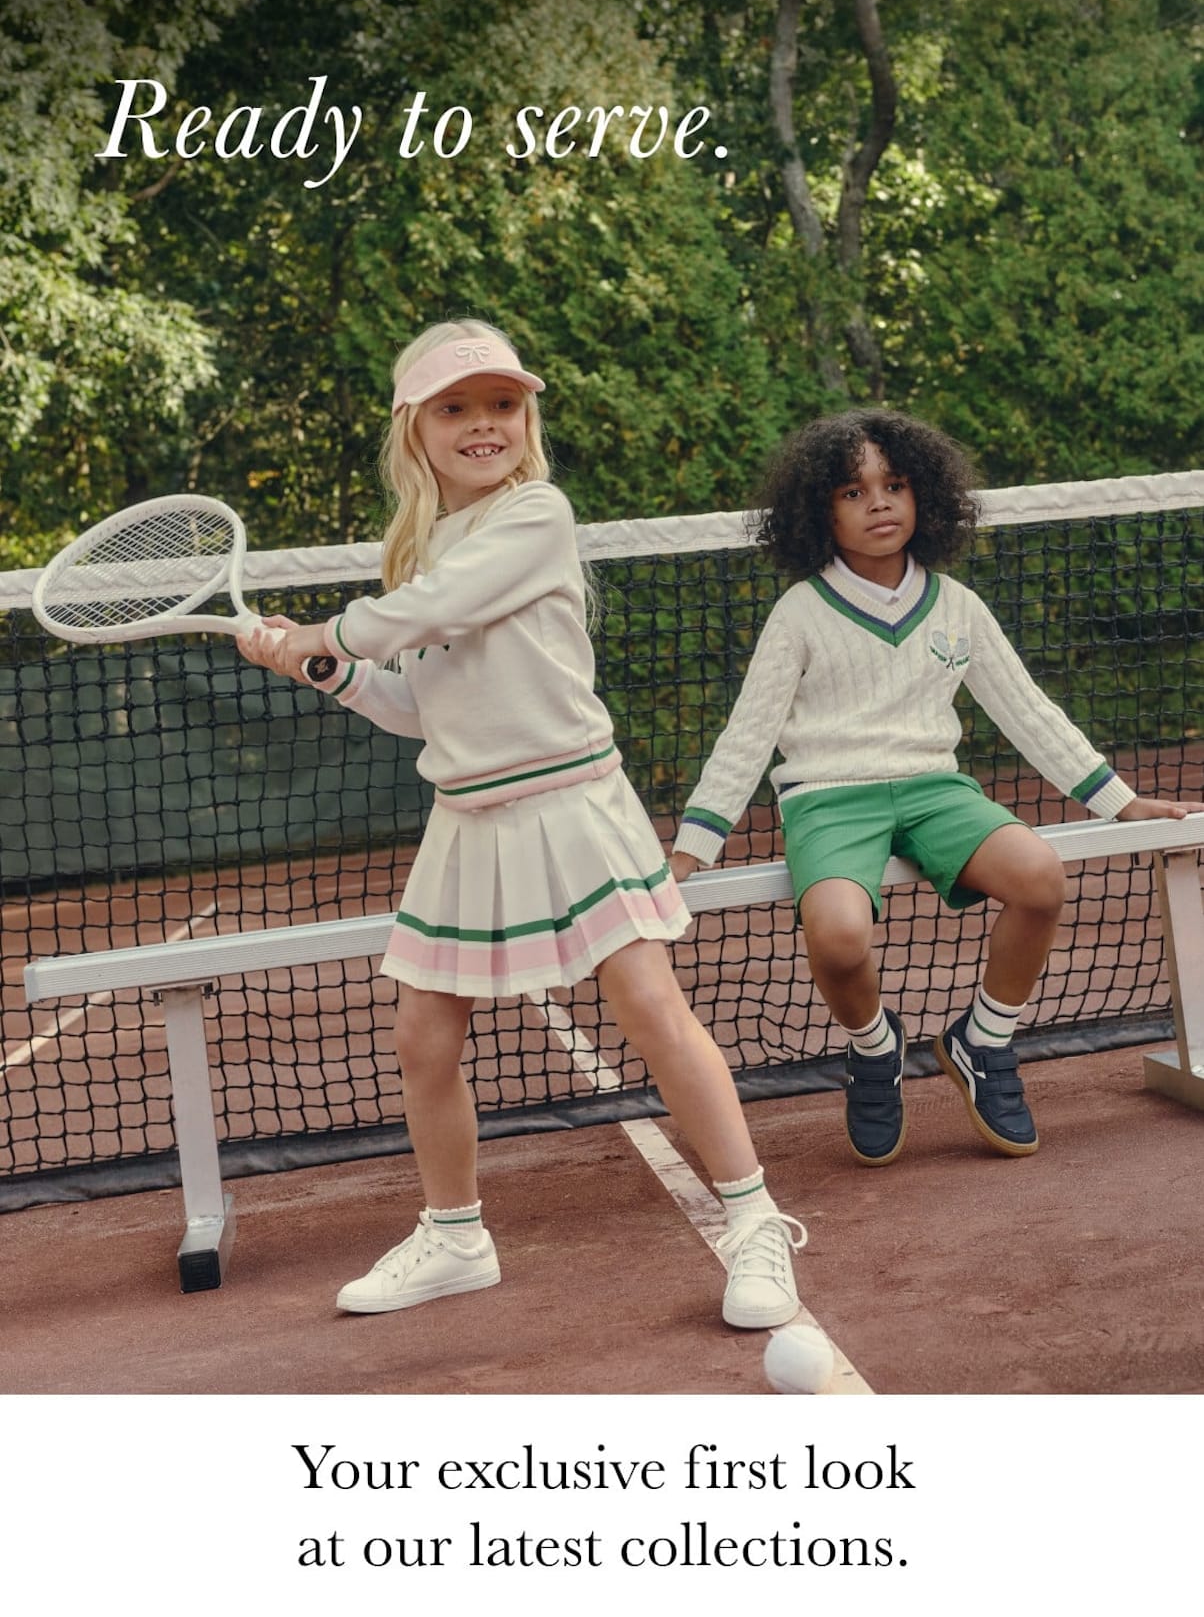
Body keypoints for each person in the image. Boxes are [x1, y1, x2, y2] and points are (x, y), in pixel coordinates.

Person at [239, 318, 803, 1328]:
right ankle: (456, 1235)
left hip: (571, 801)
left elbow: (428, 611)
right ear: (414, 427)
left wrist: (324, 629)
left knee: (645, 1001)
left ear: (526, 418)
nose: (483, 423)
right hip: (469, 818)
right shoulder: (421, 546)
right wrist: (327, 668)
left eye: (501, 403)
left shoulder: (535, 513)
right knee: (422, 1034)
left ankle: (756, 1224)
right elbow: (421, 698)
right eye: (455, 406)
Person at [670, 409, 1198, 1167]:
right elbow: (747, 736)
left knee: (1040, 877)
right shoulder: (798, 614)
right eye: (853, 491)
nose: (879, 503)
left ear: (926, 497)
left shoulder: (956, 604)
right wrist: (693, 849)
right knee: (839, 936)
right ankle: (874, 1047)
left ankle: (983, 1041)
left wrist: (1119, 800)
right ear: (819, 512)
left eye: (896, 485)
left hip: (935, 791)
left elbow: (1026, 710)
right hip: (826, 796)